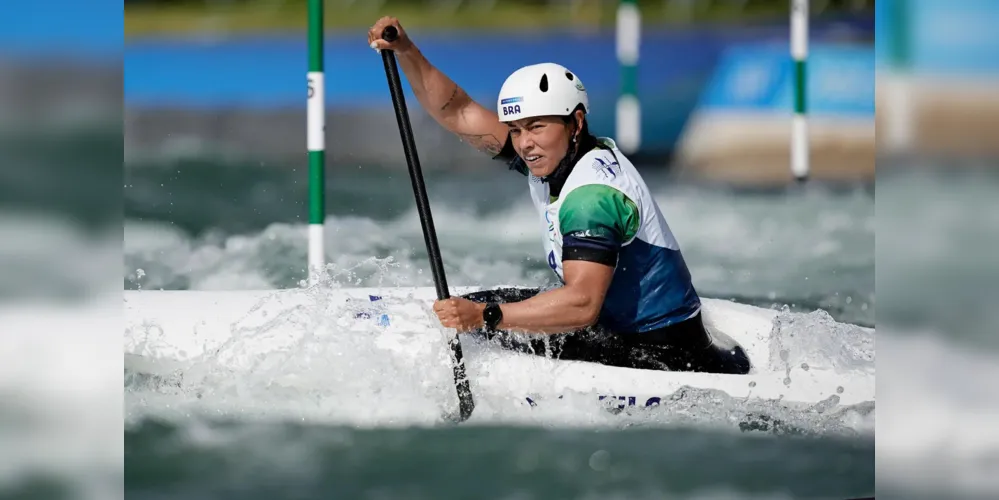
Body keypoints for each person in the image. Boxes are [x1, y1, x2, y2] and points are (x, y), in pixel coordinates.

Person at [368, 17, 750, 375]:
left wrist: (484, 316)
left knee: (482, 317)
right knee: (484, 307)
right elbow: (459, 110)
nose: (524, 144)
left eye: (535, 127)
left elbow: (582, 305)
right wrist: (406, 50)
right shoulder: (558, 156)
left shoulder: (592, 197)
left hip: (661, 356)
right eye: (515, 130)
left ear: (576, 122)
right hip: (619, 328)